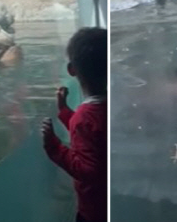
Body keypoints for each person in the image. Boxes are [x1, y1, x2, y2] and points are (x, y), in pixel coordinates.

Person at [41, 27, 107, 222]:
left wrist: (53, 147)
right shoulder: (107, 106)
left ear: (71, 70)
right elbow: (93, 136)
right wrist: (65, 111)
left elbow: (87, 170)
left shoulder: (84, 117)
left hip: (93, 211)